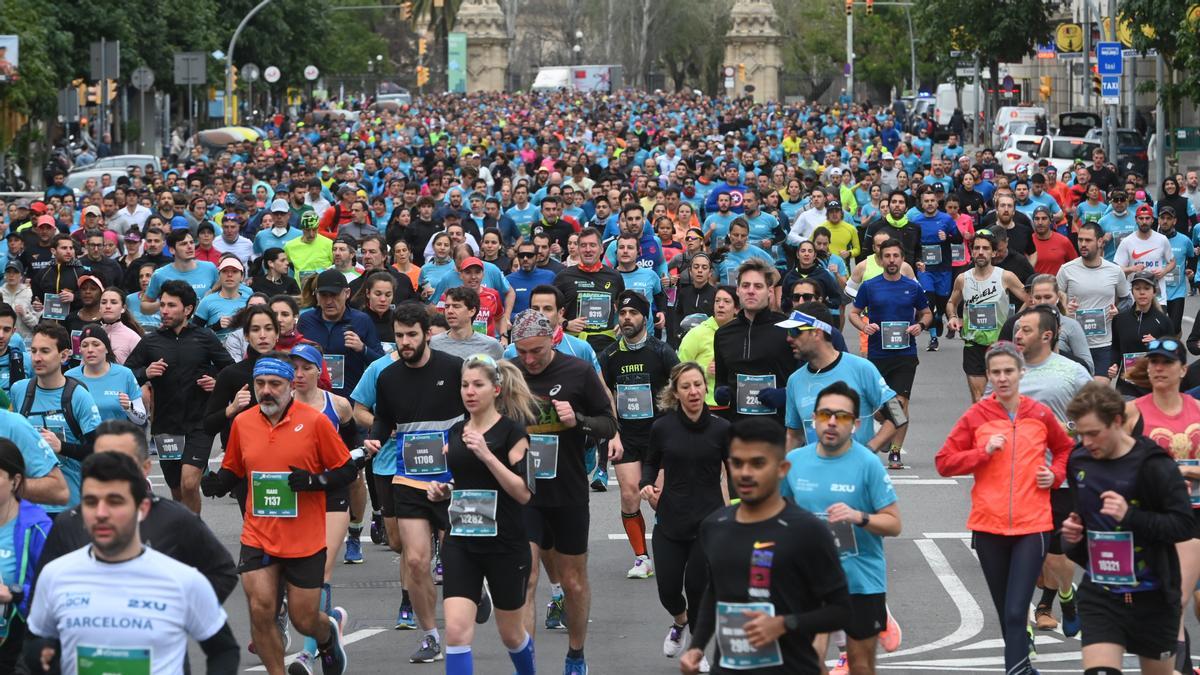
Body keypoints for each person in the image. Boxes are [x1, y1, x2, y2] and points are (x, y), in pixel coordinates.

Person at [200, 354, 354, 675]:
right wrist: (218, 483)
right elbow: (234, 468)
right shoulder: (243, 422)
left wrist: (314, 481)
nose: (266, 391)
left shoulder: (314, 422)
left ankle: (328, 636)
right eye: (260, 384)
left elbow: (347, 470)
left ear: (289, 386)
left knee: (304, 618)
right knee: (260, 609)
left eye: (275, 384)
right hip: (259, 533)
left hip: (304, 537)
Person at [30, 452, 239, 674]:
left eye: (115, 501)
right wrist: (41, 657)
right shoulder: (55, 575)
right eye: (91, 502)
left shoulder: (183, 580)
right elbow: (35, 642)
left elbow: (224, 651)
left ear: (143, 508)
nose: (101, 514)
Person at [936, 341, 1074, 675]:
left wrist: (1054, 475)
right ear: (988, 375)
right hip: (988, 526)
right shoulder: (976, 416)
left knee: (1016, 611)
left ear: (1021, 373)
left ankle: (1016, 670)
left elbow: (1067, 449)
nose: (1002, 378)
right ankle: (1022, 667)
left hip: (1033, 525)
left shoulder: (1039, 414)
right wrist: (981, 453)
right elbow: (944, 462)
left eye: (1008, 371)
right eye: (995, 372)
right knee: (1005, 611)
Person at [679, 418, 851, 675]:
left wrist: (784, 624)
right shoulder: (715, 526)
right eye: (737, 463)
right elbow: (716, 592)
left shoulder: (807, 531)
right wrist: (697, 646)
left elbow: (841, 611)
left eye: (758, 463)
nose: (745, 473)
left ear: (782, 468)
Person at [509, 309, 617, 675]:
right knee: (526, 580)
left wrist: (580, 421)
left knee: (572, 581)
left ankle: (575, 653)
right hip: (523, 493)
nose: (529, 359)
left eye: (536, 351)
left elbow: (607, 422)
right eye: (521, 352)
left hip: (568, 491)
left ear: (552, 339)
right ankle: (528, 667)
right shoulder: (509, 374)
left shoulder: (578, 371)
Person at [1062, 382, 1195, 675]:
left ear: (1118, 422)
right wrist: (1072, 537)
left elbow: (1183, 525)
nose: (1087, 441)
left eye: (1094, 433)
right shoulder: (1079, 461)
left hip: (1154, 598)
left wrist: (1130, 515)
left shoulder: (1154, 465)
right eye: (1081, 434)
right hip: (1102, 595)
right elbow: (1086, 523)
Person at [363, 302, 465, 662]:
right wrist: (374, 437)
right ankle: (431, 636)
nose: (404, 342)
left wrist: (463, 442)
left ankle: (473, 591)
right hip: (408, 480)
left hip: (453, 480)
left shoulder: (453, 369)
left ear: (426, 334)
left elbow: (475, 413)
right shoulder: (387, 377)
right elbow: (383, 418)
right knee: (418, 561)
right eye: (399, 336)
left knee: (457, 559)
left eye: (411, 335)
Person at [426, 354, 539, 675]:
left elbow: (524, 492)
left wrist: (488, 455)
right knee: (457, 631)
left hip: (506, 545)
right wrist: (444, 490)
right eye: (464, 385)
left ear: (497, 389)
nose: (469, 392)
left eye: (478, 385)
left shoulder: (514, 433)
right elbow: (462, 480)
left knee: (511, 634)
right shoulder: (457, 432)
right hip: (461, 541)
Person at [782, 381, 902, 675]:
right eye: (825, 414)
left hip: (861, 581)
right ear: (814, 418)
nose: (832, 422)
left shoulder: (867, 464)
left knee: (860, 666)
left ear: (856, 424)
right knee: (808, 662)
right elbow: (778, 515)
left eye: (842, 416)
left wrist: (859, 516)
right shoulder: (794, 462)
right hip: (809, 581)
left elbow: (894, 523)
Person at [1117, 337, 1200, 673]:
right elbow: (1115, 465)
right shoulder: (1132, 414)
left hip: (1197, 512)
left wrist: (1192, 471)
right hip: (1159, 519)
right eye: (1154, 362)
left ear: (1183, 369)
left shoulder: (1197, 410)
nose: (1159, 368)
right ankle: (1179, 668)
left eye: (1166, 362)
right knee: (1175, 601)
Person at [641, 362, 729, 664]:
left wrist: (738, 510)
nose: (693, 391)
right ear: (676, 393)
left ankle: (696, 647)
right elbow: (651, 462)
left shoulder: (722, 429)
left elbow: (735, 471)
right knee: (668, 589)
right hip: (670, 519)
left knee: (697, 586)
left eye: (697, 384)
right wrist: (646, 484)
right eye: (686, 386)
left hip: (709, 522)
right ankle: (679, 622)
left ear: (706, 387)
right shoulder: (663, 427)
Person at [124, 280, 234, 513]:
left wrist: (216, 382)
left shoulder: (205, 337)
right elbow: (125, 375)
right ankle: (184, 531)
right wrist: (146, 372)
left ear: (188, 309)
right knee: (176, 489)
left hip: (200, 424)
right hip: (166, 425)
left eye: (171, 305)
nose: (164, 310)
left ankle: (194, 534)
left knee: (190, 482)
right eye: (162, 305)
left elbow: (230, 370)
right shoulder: (150, 341)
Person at [287, 344, 358, 675]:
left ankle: (308, 652)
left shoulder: (338, 406)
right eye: (294, 367)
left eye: (306, 368)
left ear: (319, 371)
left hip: (332, 495)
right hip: (297, 498)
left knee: (320, 572)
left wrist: (361, 452)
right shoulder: (279, 406)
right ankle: (334, 621)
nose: (298, 374)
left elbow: (351, 449)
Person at [600, 290, 679, 579]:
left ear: (645, 317)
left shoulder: (661, 351)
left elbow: (680, 386)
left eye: (633, 313)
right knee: (630, 495)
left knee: (659, 498)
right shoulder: (609, 355)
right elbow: (604, 393)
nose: (627, 318)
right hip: (627, 437)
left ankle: (673, 551)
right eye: (622, 313)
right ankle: (641, 558)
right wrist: (613, 433)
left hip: (660, 437)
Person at [847, 238, 932, 469]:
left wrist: (920, 326)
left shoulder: (912, 287)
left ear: (902, 259)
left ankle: (894, 451)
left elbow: (926, 313)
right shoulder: (870, 286)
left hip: (905, 354)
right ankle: (887, 430)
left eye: (896, 256)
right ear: (881, 258)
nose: (892, 260)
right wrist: (864, 326)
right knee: (878, 408)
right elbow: (853, 313)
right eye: (887, 256)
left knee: (900, 402)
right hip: (877, 355)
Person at [12, 322, 103, 514]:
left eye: (45, 351)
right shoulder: (19, 390)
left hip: (70, 507)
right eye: (33, 351)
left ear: (64, 355)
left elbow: (99, 452)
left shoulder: (78, 396)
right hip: (28, 508)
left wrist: (62, 447)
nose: (37, 358)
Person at [945, 230, 1029, 401]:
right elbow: (951, 302)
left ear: (993, 252)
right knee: (979, 399)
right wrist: (953, 317)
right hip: (973, 344)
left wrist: (1015, 322)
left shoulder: (1005, 276)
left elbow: (1029, 299)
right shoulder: (963, 279)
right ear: (972, 251)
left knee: (1001, 397)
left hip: (1000, 344)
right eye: (977, 248)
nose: (981, 252)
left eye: (985, 248)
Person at [713, 258, 792, 425]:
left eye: (758, 286)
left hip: (778, 428)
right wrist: (720, 392)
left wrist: (785, 394)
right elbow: (721, 379)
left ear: (770, 292)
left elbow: (806, 380)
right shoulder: (723, 334)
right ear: (738, 291)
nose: (751, 291)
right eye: (745, 285)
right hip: (739, 429)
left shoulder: (787, 329)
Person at [0, 439, 52, 671]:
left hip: (15, 647)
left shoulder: (38, 527)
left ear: (15, 480)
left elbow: (54, 595)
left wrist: (14, 594)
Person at [1057, 222, 1132, 382]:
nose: (1083, 244)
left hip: (1103, 344)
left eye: (1088, 240)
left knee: (1098, 394)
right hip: (1074, 343)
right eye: (1080, 240)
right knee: (1078, 394)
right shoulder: (1066, 269)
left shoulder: (1114, 270)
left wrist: (1117, 311)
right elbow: (1055, 301)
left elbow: (1128, 300)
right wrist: (1065, 308)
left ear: (1100, 242)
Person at [554, 227, 626, 353]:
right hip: (572, 345)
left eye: (592, 245)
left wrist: (622, 323)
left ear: (601, 249)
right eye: (583, 245)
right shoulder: (564, 276)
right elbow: (550, 311)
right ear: (578, 249)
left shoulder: (614, 277)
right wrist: (566, 324)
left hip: (605, 347)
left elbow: (624, 307)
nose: (588, 250)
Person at [65, 324, 146, 425]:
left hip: (116, 438)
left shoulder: (125, 374)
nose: (90, 350)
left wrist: (129, 407)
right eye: (85, 345)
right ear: (80, 350)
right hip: (82, 440)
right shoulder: (69, 377)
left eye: (96, 344)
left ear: (107, 349)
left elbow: (142, 419)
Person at [1108, 271, 1173, 396]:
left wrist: (1158, 344)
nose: (1142, 292)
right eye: (1137, 289)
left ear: (1154, 292)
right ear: (1132, 292)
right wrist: (1113, 365)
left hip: (1154, 384)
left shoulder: (1164, 321)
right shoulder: (1120, 319)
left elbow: (1174, 353)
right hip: (1127, 384)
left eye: (1147, 288)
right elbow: (1115, 347)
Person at [677, 286, 739, 410]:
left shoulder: (742, 333)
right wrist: (704, 370)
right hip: (705, 405)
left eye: (726, 301)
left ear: (736, 309)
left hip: (737, 404)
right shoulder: (697, 333)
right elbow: (679, 367)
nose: (720, 305)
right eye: (717, 301)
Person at [432, 285, 504, 360]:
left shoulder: (492, 346)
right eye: (447, 306)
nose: (449, 311)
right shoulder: (433, 343)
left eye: (456, 306)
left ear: (472, 311)